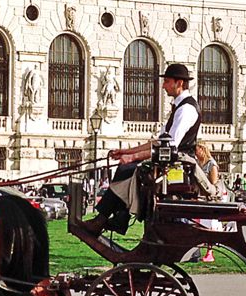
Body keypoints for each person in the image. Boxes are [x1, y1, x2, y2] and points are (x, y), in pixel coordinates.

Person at [80, 62, 202, 236]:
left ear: (179, 83)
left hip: (178, 167)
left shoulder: (186, 109)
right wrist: (127, 152)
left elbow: (169, 147)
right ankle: (116, 217)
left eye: (167, 81)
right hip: (171, 162)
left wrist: (133, 157)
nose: (163, 86)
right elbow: (158, 142)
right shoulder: (179, 107)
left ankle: (106, 218)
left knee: (128, 169)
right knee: (126, 168)